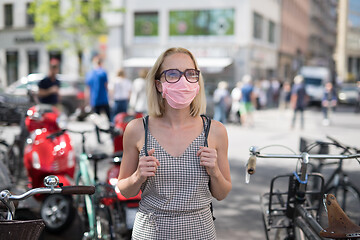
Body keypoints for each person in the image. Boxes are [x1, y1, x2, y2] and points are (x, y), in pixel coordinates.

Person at [117, 47, 232, 240]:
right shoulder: (137, 129)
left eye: (190, 74)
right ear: (159, 84)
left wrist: (214, 172)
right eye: (172, 74)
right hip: (150, 234)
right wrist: (138, 176)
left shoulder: (215, 131)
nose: (183, 81)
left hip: (200, 233)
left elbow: (221, 193)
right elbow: (125, 190)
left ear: (197, 82)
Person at [85, 55, 111, 121]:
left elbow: (87, 88)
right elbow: (106, 86)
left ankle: (98, 131)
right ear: (101, 63)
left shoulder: (89, 73)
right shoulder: (103, 72)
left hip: (94, 99)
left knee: (96, 119)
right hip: (104, 98)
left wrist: (87, 100)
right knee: (109, 118)